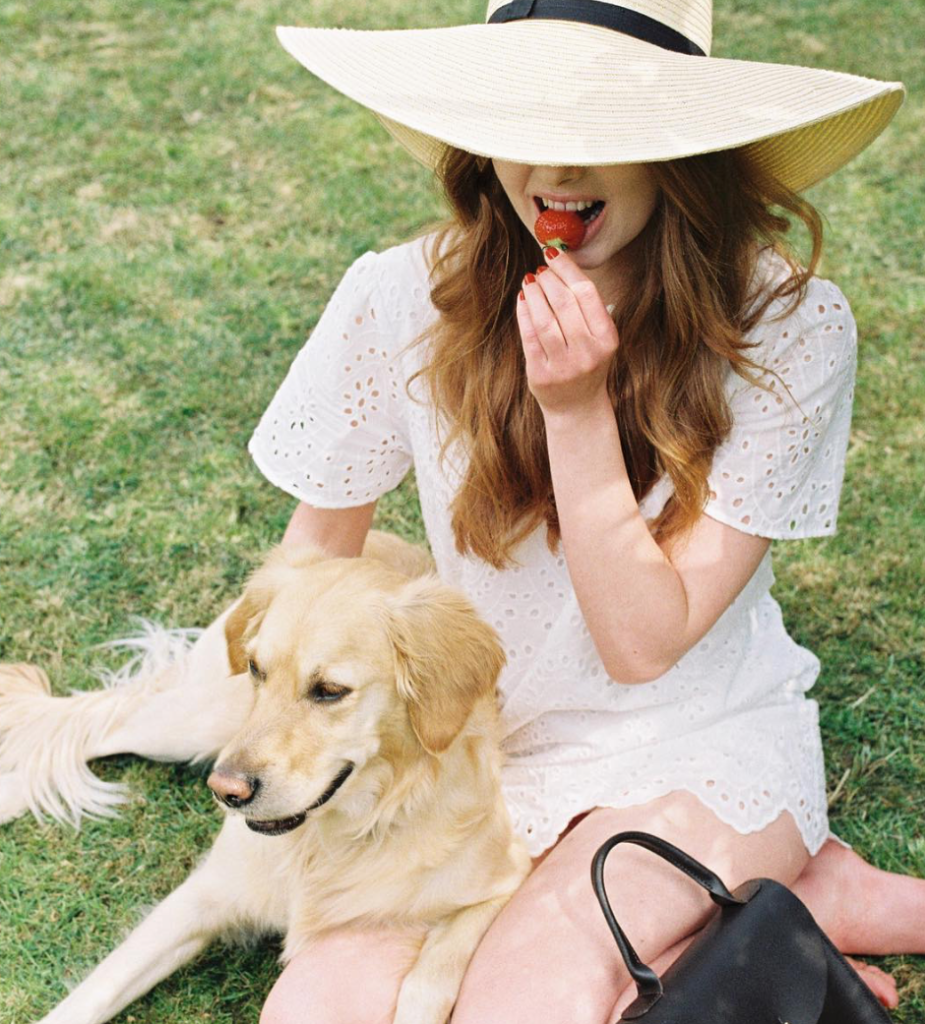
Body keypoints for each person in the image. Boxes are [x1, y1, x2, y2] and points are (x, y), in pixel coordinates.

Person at [2, 1, 920, 1022]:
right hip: (468, 740)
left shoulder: (785, 328)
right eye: (523, 120)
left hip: (687, 739)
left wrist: (572, 414)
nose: (554, 172)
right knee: (316, 1010)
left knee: (522, 1001)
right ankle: (775, 905)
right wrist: (276, 744)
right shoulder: (399, 296)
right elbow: (312, 563)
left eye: (604, 129)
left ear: (684, 153)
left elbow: (640, 645)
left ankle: (751, 894)